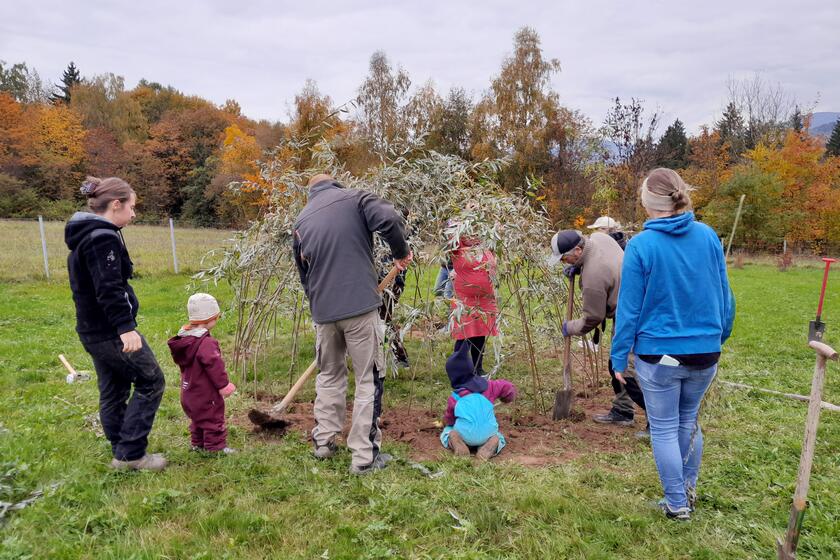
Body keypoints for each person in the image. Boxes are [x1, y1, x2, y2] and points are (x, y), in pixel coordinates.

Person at [611, 168, 735, 520]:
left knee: (664, 427)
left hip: (658, 355)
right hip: (705, 351)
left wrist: (619, 358)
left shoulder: (640, 246)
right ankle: (687, 492)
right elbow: (725, 295)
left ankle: (677, 503)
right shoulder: (708, 236)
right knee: (688, 421)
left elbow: (629, 310)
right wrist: (718, 337)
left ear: (647, 203)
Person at [293, 173, 412, 475]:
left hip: (323, 313)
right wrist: (401, 253)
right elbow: (388, 217)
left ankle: (323, 442)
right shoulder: (355, 198)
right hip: (359, 308)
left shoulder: (301, 221)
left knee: (329, 376)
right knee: (368, 380)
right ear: (335, 184)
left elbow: (304, 275)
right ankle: (363, 457)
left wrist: (321, 304)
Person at [65, 176, 167, 471]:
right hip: (110, 330)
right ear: (116, 204)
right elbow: (108, 288)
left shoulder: (86, 235)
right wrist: (125, 327)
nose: (134, 214)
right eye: (132, 207)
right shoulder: (102, 238)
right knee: (151, 381)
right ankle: (132, 453)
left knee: (114, 389)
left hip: (92, 330)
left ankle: (121, 450)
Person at [549, 230, 648, 434]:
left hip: (634, 314)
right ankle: (623, 411)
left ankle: (659, 420)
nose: (563, 262)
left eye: (565, 258)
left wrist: (570, 327)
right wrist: (578, 266)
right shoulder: (599, 237)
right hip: (635, 301)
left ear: (578, 249)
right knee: (616, 364)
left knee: (625, 369)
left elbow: (593, 317)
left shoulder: (593, 276)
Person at [168, 293, 237, 454]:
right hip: (205, 393)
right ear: (210, 320)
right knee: (212, 418)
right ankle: (215, 448)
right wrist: (223, 385)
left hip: (189, 392)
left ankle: (197, 444)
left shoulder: (185, 341)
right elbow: (214, 366)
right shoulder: (206, 343)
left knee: (197, 418)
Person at [440, 342, 516, 460]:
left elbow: (450, 418)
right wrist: (508, 396)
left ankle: (459, 445)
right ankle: (490, 445)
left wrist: (447, 423)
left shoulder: (456, 396)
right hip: (487, 434)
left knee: (449, 432)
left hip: (464, 434)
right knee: (497, 436)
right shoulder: (489, 386)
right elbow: (507, 387)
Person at [449, 233, 498, 377]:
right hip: (464, 299)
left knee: (480, 333)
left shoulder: (484, 244)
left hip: (484, 299)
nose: (474, 234)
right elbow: (451, 232)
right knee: (464, 334)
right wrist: (465, 213)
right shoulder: (458, 246)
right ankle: (458, 369)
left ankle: (478, 367)